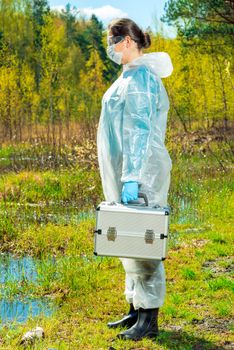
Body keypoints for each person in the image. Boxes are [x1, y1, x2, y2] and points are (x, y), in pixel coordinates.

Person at [96, 18, 173, 341]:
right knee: (128, 240)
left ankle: (149, 320)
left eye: (112, 41)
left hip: (141, 172)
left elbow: (139, 130)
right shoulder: (128, 76)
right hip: (123, 169)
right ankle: (134, 308)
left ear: (127, 40)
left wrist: (132, 177)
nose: (110, 48)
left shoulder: (141, 77)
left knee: (144, 242)